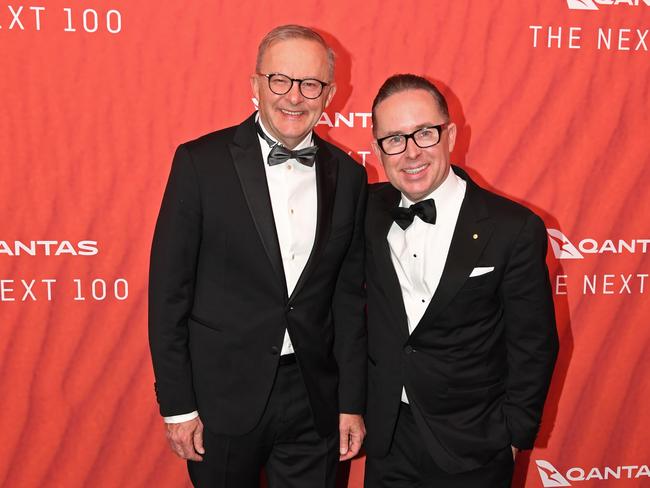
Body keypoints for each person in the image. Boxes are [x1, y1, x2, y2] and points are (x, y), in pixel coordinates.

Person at [148, 25, 367, 488]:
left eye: (310, 84)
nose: (294, 97)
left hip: (315, 400)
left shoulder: (349, 176)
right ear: (255, 86)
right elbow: (169, 295)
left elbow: (347, 301)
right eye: (279, 80)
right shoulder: (199, 163)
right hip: (220, 402)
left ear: (328, 94)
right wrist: (178, 405)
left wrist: (351, 401)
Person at [363, 74, 558, 487]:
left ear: (450, 135)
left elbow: (533, 343)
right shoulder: (366, 211)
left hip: (476, 445)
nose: (411, 153)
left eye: (424, 134)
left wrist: (513, 436)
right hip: (389, 437)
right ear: (378, 149)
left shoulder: (512, 228)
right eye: (394, 139)